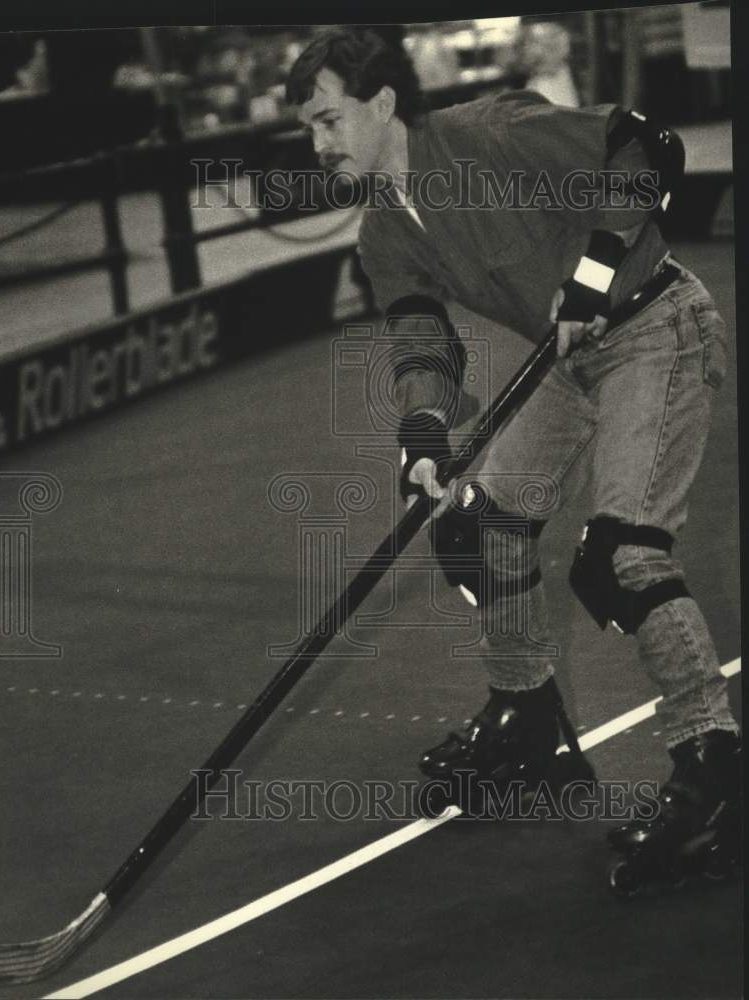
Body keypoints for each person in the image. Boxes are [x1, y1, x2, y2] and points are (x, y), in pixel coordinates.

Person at [286, 26, 741, 891]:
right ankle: (530, 725)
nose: (317, 144)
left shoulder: (492, 133)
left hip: (654, 327)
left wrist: (596, 271)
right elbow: (421, 335)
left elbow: (647, 146)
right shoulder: (385, 226)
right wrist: (424, 436)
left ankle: (710, 772)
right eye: (308, 128)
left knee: (624, 558)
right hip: (566, 360)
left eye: (327, 119)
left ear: (381, 105)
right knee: (482, 529)